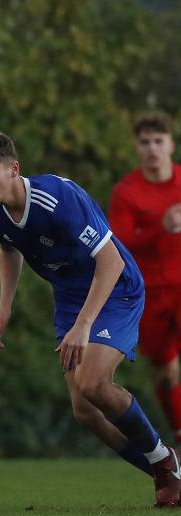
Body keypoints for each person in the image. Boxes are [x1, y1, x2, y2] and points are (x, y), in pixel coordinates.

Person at [0, 131, 181, 507]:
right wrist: (5, 305)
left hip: (115, 288)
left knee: (93, 382)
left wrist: (83, 326)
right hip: (70, 298)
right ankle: (166, 473)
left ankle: (165, 461)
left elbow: (111, 261)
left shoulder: (57, 200)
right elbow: (8, 249)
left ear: (14, 169)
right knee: (85, 411)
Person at [108, 113, 181, 443]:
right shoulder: (127, 192)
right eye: (145, 142)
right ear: (137, 148)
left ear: (171, 144)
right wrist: (158, 228)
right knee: (166, 373)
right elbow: (119, 245)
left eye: (158, 141)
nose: (152, 148)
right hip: (150, 293)